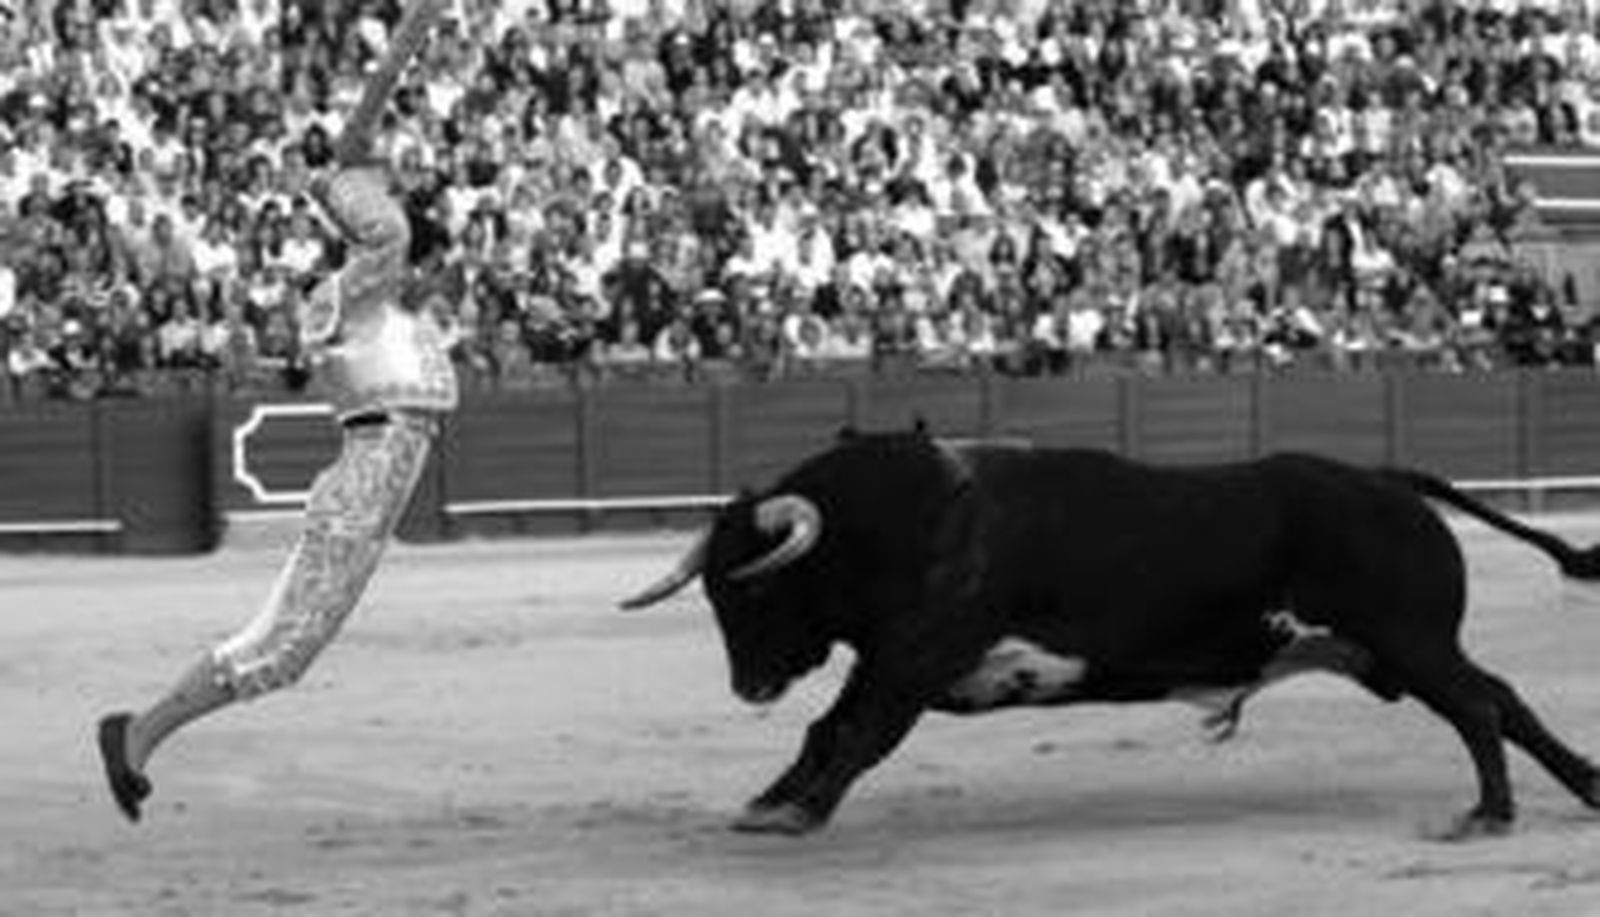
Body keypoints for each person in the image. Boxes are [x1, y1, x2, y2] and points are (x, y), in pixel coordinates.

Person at [95, 0, 458, 823]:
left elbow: (314, 360)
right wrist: (407, 37)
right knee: (281, 644)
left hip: (378, 484)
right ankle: (140, 733)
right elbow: (371, 183)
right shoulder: (353, 290)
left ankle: (137, 732)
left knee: (288, 651)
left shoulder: (399, 317)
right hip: (366, 477)